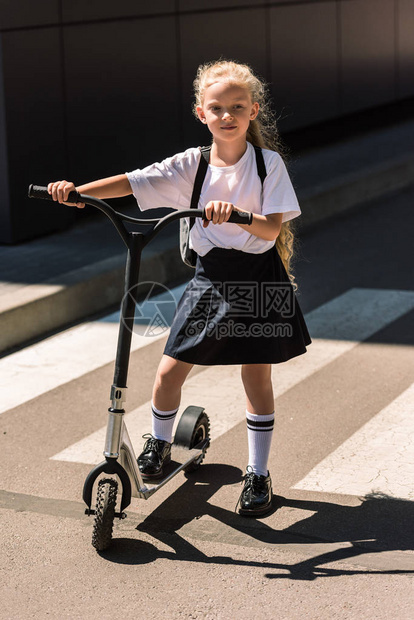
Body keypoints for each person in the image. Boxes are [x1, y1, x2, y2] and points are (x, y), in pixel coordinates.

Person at [48, 59, 312, 517]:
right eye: (217, 108)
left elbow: (270, 230)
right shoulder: (191, 165)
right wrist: (78, 192)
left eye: (237, 107)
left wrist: (235, 214)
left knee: (256, 375)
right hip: (211, 278)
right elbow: (133, 182)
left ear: (253, 111)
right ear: (200, 113)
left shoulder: (268, 166)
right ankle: (160, 445)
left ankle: (258, 474)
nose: (227, 115)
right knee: (169, 372)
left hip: (257, 276)